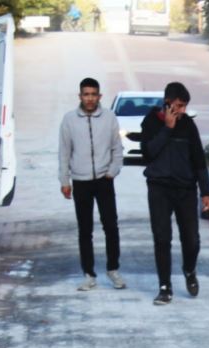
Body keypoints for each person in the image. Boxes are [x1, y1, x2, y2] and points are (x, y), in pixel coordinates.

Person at [140, 81, 209, 305]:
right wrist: (167, 129)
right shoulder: (151, 121)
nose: (182, 111)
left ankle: (189, 270)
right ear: (167, 102)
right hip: (159, 188)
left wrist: (206, 193)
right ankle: (165, 287)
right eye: (179, 106)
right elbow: (148, 153)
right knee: (162, 239)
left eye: (184, 106)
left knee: (191, 239)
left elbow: (199, 161)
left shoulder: (189, 125)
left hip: (185, 189)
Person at [59, 77, 125, 291]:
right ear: (80, 96)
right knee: (85, 229)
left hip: (104, 180)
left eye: (93, 94)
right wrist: (64, 180)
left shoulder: (109, 118)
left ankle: (113, 269)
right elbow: (64, 152)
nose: (89, 98)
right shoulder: (69, 120)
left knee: (111, 225)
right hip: (81, 180)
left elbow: (117, 148)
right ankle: (88, 274)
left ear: (99, 96)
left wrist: (112, 171)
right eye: (86, 94)